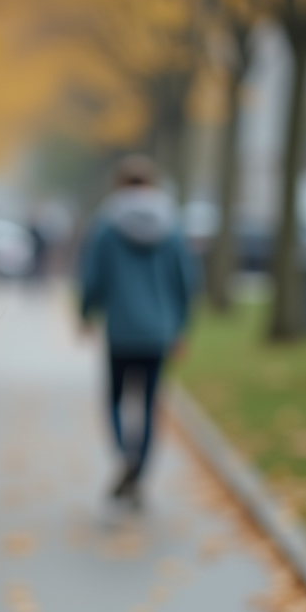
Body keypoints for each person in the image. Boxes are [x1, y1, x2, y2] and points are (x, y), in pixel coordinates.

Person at [79, 154, 197, 508]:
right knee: (149, 404)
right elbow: (185, 281)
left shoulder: (106, 225)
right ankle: (140, 470)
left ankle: (124, 456)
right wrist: (181, 327)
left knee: (115, 400)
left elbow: (93, 275)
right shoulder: (173, 226)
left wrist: (86, 312)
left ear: (119, 185)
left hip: (120, 330)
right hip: (159, 331)